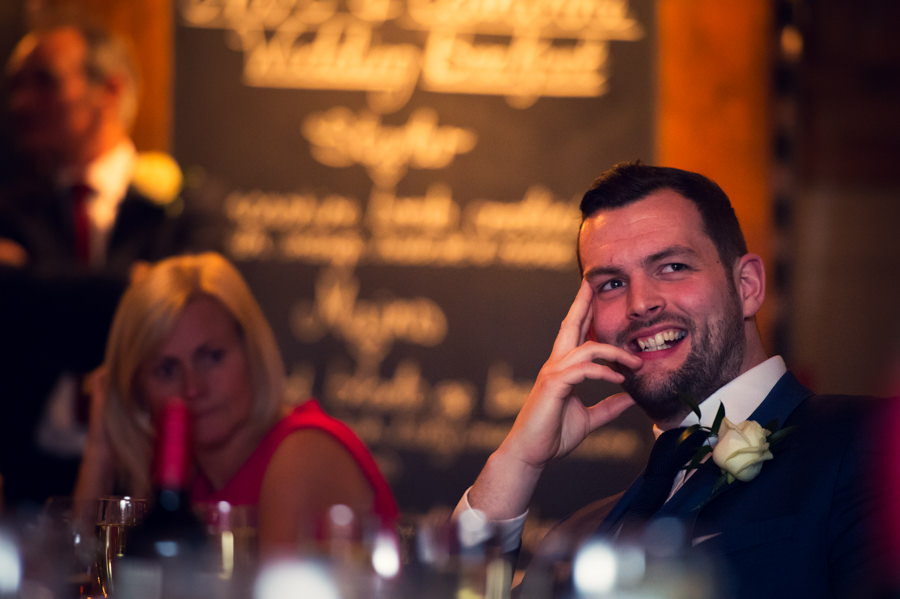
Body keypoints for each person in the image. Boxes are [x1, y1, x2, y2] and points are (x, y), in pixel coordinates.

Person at [455, 162, 889, 598]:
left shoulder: (870, 441)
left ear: (748, 286)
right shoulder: (581, 535)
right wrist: (520, 460)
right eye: (610, 284)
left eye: (673, 266)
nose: (640, 303)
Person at [0, 17, 222, 509]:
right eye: (16, 86)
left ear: (109, 88)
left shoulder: (183, 207)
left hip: (157, 476)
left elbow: (184, 322)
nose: (21, 104)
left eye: (45, 81)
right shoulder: (10, 211)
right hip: (26, 484)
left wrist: (30, 282)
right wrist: (130, 288)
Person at [73, 252, 398, 552]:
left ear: (251, 352)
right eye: (166, 369)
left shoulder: (302, 453)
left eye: (212, 357)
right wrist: (100, 452)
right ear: (138, 388)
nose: (192, 389)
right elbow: (75, 575)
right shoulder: (189, 487)